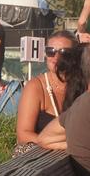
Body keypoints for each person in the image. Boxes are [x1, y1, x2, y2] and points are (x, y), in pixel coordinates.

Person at [16, 31, 81, 146]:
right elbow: (23, 135)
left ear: (75, 56)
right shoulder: (36, 87)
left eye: (64, 53)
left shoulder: (82, 85)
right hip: (40, 159)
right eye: (50, 51)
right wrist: (66, 145)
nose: (55, 57)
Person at [37, 44, 90, 175]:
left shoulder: (79, 105)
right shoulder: (35, 86)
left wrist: (74, 145)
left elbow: (45, 138)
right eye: (50, 51)